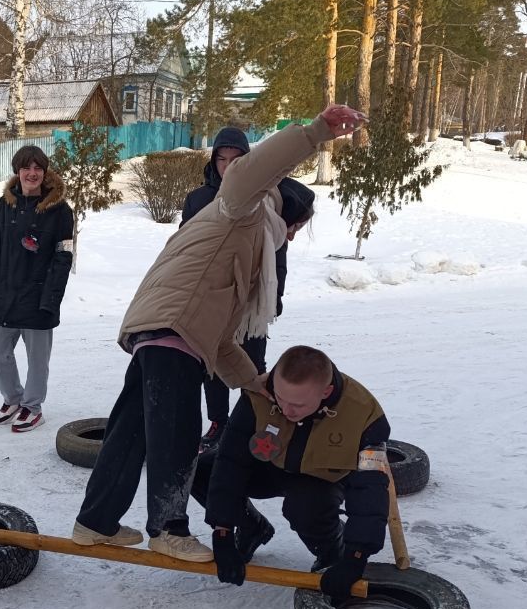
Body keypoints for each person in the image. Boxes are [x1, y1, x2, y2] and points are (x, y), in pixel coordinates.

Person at [71, 103, 365, 563]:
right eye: (294, 227)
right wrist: (314, 133)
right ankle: (168, 528)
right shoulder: (242, 208)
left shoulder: (240, 244)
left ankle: (94, 522)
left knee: (131, 433)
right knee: (178, 436)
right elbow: (254, 168)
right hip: (174, 326)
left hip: (163, 326)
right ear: (283, 211)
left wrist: (255, 382)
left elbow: (222, 336)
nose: (289, 237)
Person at [192, 345, 391, 606]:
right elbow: (230, 462)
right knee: (199, 470)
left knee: (304, 506)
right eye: (281, 398)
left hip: (321, 478)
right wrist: (222, 531)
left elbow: (370, 488)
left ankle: (332, 551)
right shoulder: (259, 394)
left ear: (326, 392)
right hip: (269, 467)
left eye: (297, 404)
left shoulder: (365, 416)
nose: (286, 410)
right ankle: (251, 527)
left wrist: (355, 556)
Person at [180, 131, 318, 451]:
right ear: (213, 162)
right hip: (215, 295)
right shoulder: (198, 200)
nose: (228, 167)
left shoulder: (264, 197)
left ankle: (251, 424)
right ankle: (218, 422)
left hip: (253, 299)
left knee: (252, 366)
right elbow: (185, 252)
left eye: (237, 160)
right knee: (213, 364)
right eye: (221, 159)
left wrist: (276, 295)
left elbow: (278, 251)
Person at [0, 145, 74, 433]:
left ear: (45, 172)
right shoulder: (2, 206)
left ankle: (32, 406)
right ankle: (13, 398)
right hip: (5, 294)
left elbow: (63, 256)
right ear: (17, 171)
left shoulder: (60, 211)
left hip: (39, 295)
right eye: (27, 168)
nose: (32, 174)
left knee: (37, 358)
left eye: (38, 169)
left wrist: (52, 298)